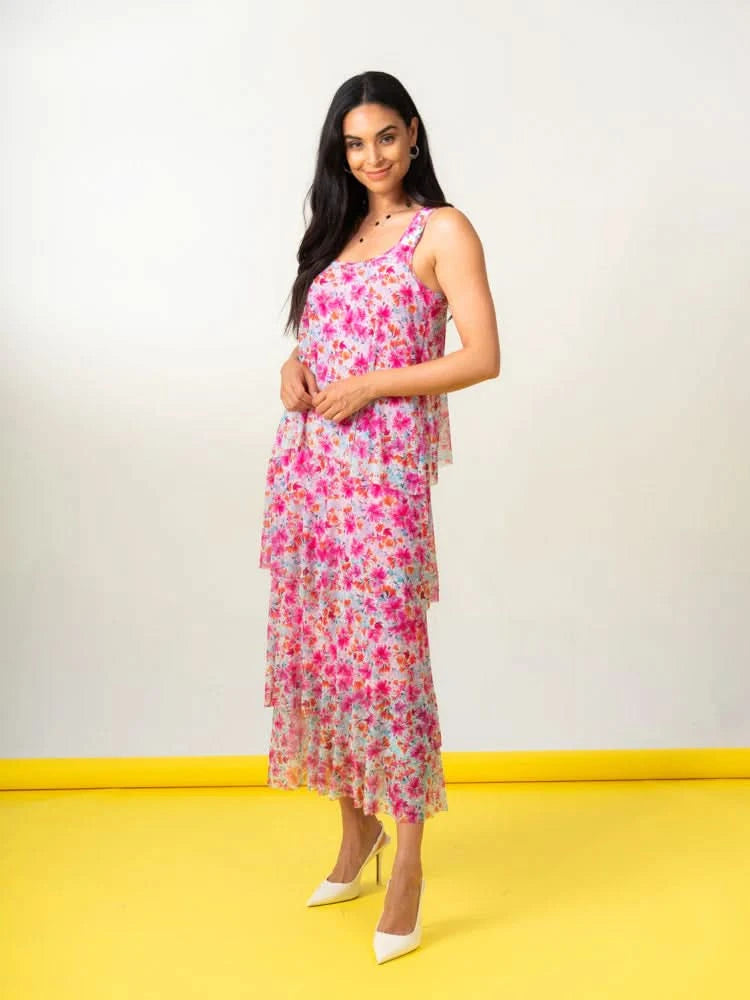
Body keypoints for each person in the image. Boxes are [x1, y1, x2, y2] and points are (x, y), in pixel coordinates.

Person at [259, 70, 500, 963]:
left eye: (386, 138)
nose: (372, 159)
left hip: (382, 483)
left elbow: (483, 355)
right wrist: (293, 373)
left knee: (389, 665)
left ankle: (410, 864)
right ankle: (356, 838)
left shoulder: (443, 231)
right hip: (311, 475)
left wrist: (373, 385)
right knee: (323, 657)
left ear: (413, 135)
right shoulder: (336, 233)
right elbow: (319, 345)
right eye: (355, 144)